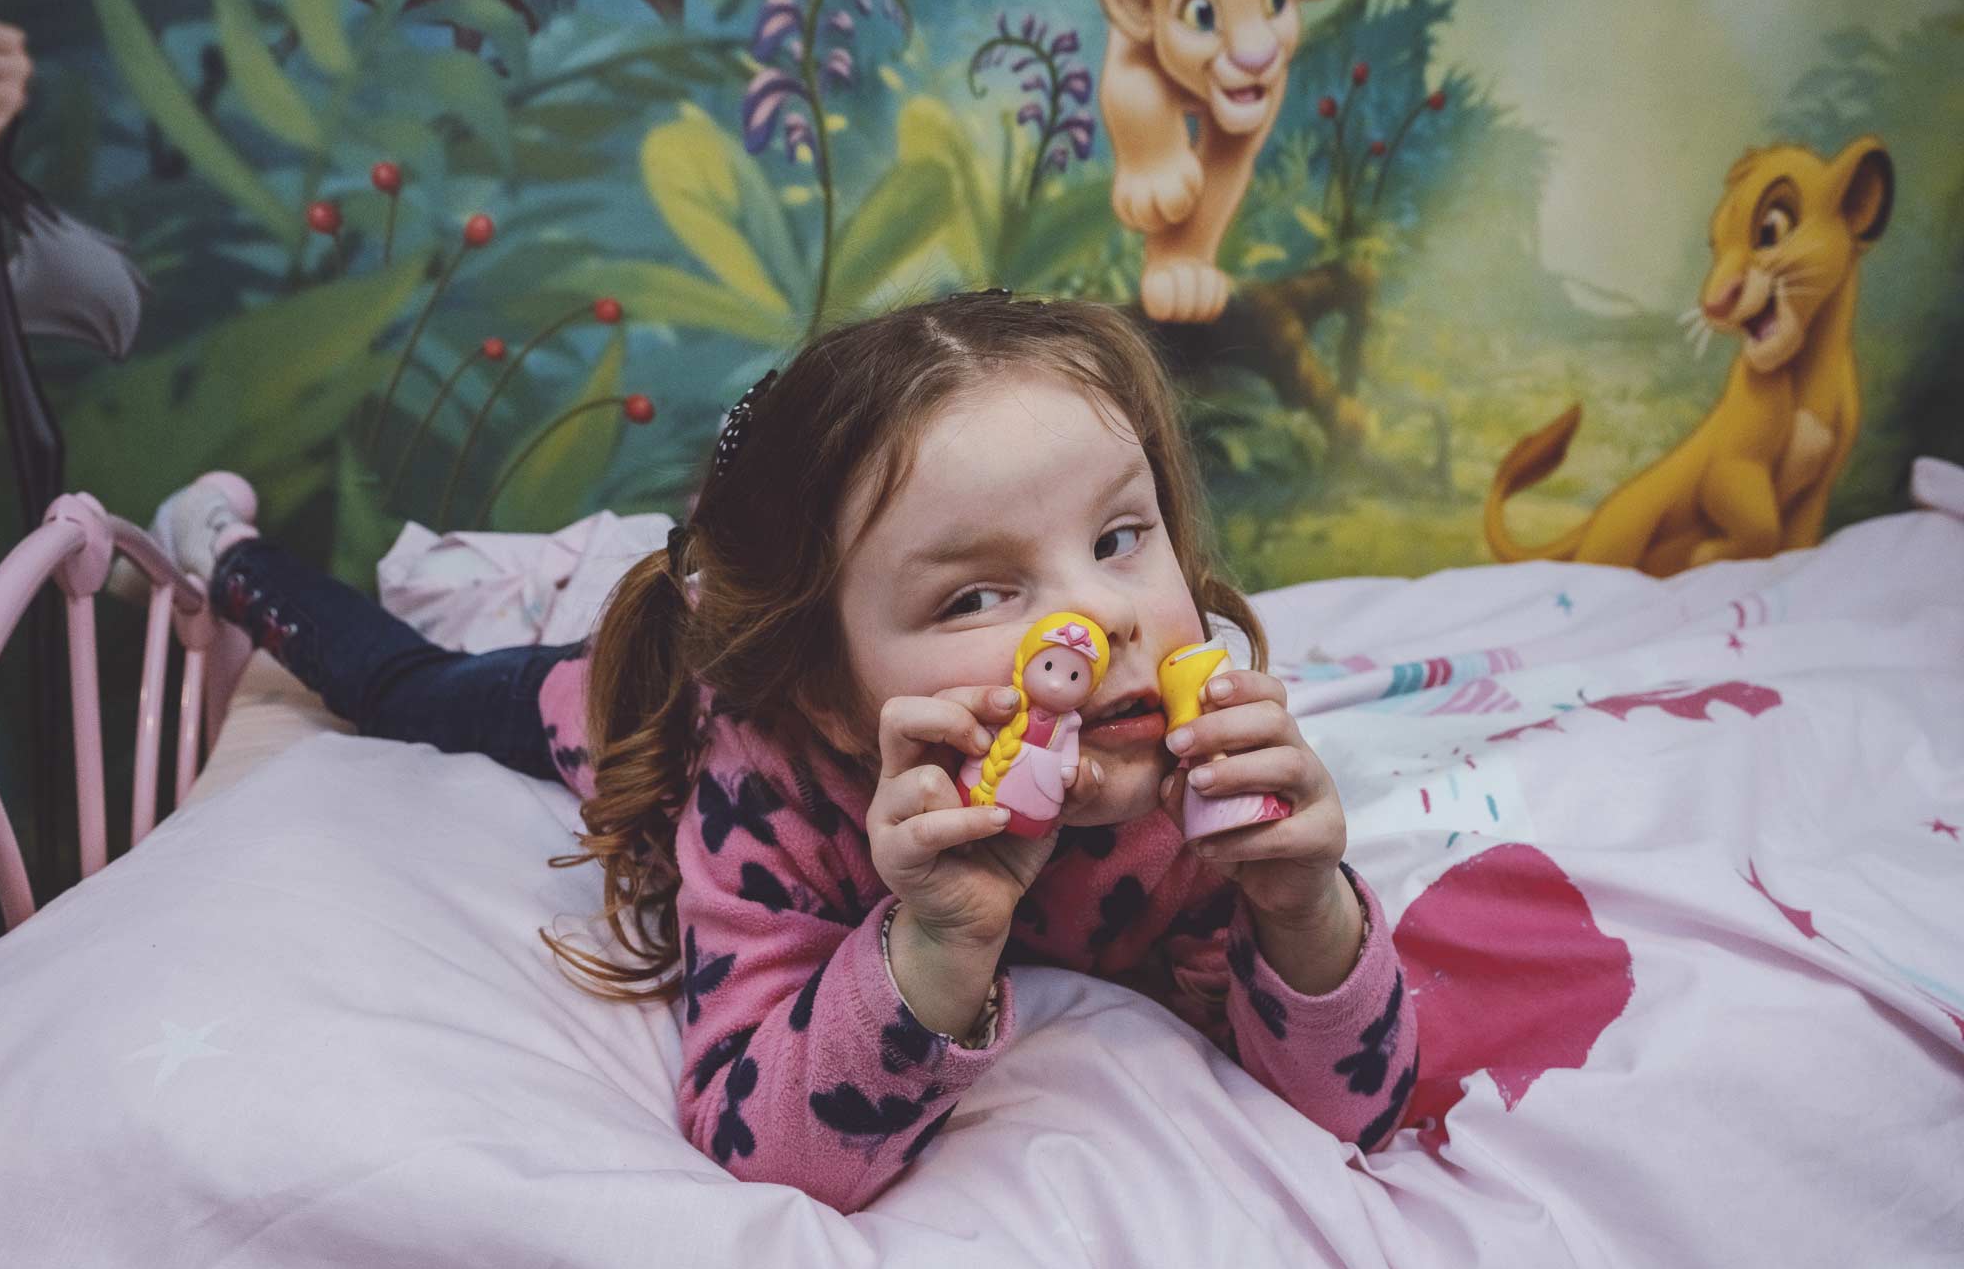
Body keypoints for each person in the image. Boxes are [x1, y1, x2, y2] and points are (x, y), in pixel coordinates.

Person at [149, 292, 1417, 1214]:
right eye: (975, 596)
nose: (1098, 627)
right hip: (637, 702)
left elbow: (1355, 1104)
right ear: (824, 694)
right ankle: (229, 554)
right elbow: (758, 1141)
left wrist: (1304, 906)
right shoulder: (757, 788)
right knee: (416, 686)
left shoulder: (1186, 767)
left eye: (1121, 535)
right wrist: (930, 949)